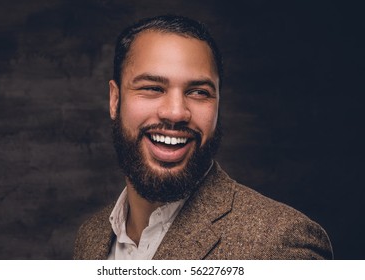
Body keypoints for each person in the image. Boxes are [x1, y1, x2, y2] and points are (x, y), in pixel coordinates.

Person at [73, 15, 333, 260]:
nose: (176, 112)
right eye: (152, 88)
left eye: (198, 92)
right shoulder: (90, 238)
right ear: (115, 99)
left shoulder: (281, 245)